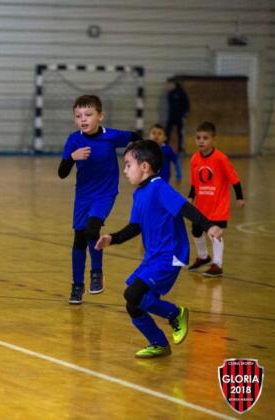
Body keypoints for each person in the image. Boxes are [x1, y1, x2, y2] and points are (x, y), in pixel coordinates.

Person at [95, 140, 223, 358]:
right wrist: (113, 238)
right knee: (133, 305)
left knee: (132, 294)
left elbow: (185, 208)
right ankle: (159, 343)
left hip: (170, 255)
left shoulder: (159, 187)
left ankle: (175, 314)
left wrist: (208, 225)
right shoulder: (139, 193)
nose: (125, 170)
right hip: (153, 257)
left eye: (128, 165)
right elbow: (136, 226)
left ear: (144, 167)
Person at [58, 94, 140, 304]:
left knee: (92, 229)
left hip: (105, 194)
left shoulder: (111, 136)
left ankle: (97, 273)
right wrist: (72, 157)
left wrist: (136, 158)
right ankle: (77, 285)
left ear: (100, 116)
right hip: (83, 195)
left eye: (88, 114)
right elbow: (62, 173)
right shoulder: (74, 140)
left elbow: (136, 137)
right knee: (79, 239)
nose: (83, 119)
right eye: (78, 116)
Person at [186, 121, 245, 277]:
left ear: (213, 140)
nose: (201, 141)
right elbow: (194, 182)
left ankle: (217, 265)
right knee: (196, 231)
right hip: (201, 206)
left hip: (218, 206)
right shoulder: (194, 159)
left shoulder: (221, 158)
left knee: (215, 233)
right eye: (198, 137)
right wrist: (191, 196)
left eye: (205, 138)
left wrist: (239, 197)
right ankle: (203, 257)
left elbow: (234, 179)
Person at [164, 78, 190, 153]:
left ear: (173, 84)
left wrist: (184, 114)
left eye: (169, 85)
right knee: (167, 131)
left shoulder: (181, 93)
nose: (167, 86)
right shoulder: (170, 94)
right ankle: (165, 146)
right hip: (171, 115)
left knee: (180, 132)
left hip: (179, 116)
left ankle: (180, 148)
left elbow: (187, 104)